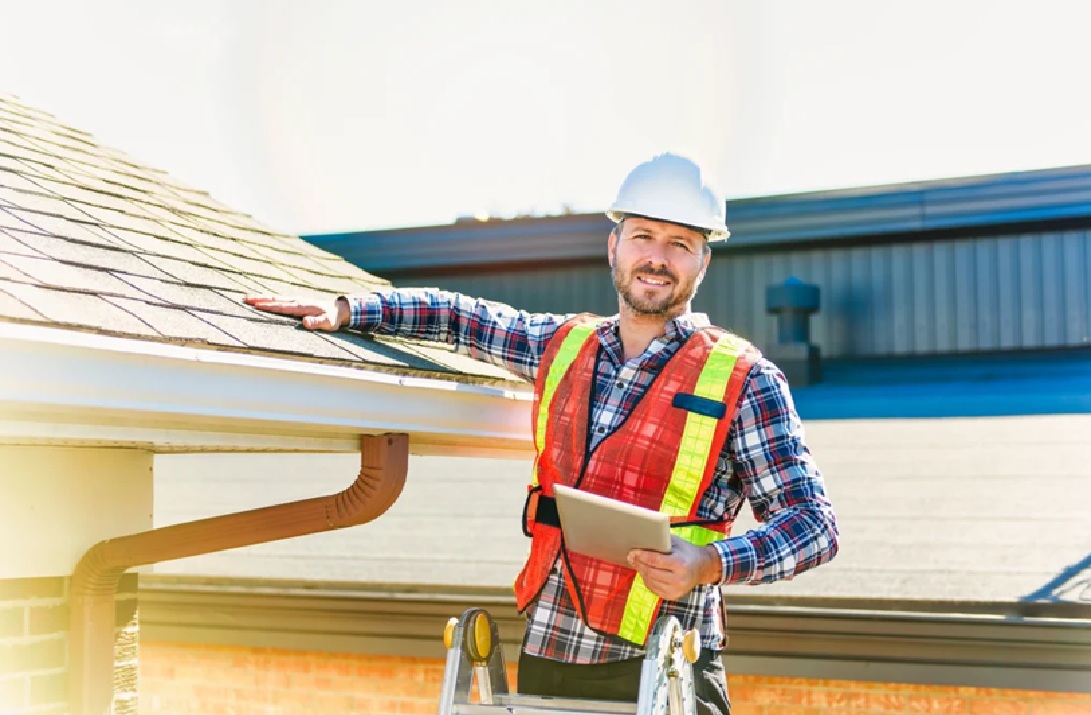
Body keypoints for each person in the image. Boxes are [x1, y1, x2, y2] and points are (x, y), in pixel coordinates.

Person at [245, 153, 838, 715]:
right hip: (548, 652)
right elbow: (459, 318)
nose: (657, 257)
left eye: (680, 243)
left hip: (664, 669)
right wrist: (349, 311)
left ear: (702, 262)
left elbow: (814, 526)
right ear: (614, 245)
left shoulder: (744, 379)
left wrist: (708, 561)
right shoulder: (564, 345)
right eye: (643, 237)